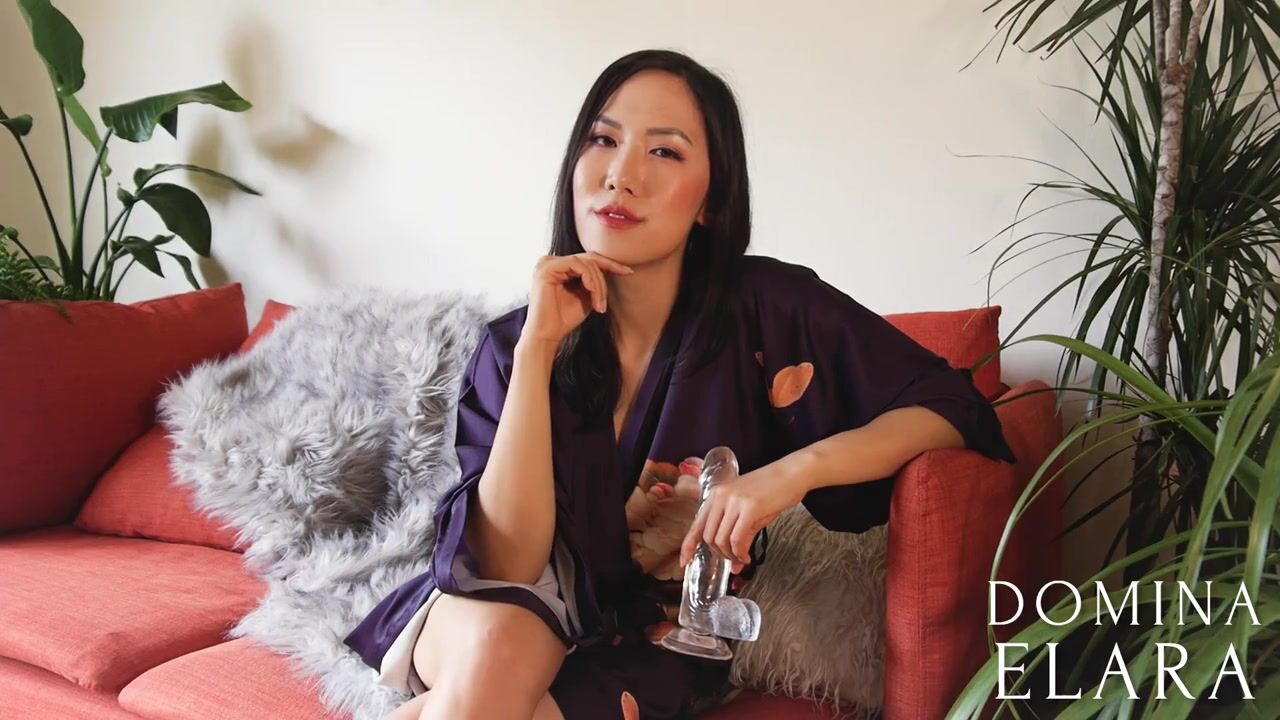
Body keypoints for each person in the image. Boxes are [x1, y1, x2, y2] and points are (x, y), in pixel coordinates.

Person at [343, 48, 1017, 720]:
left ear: (713, 203)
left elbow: (952, 406)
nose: (621, 175)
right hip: (492, 615)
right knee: (498, 644)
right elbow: (508, 567)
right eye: (603, 141)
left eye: (664, 152)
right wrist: (538, 350)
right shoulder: (514, 343)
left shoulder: (766, 309)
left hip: (656, 642)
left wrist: (791, 473)